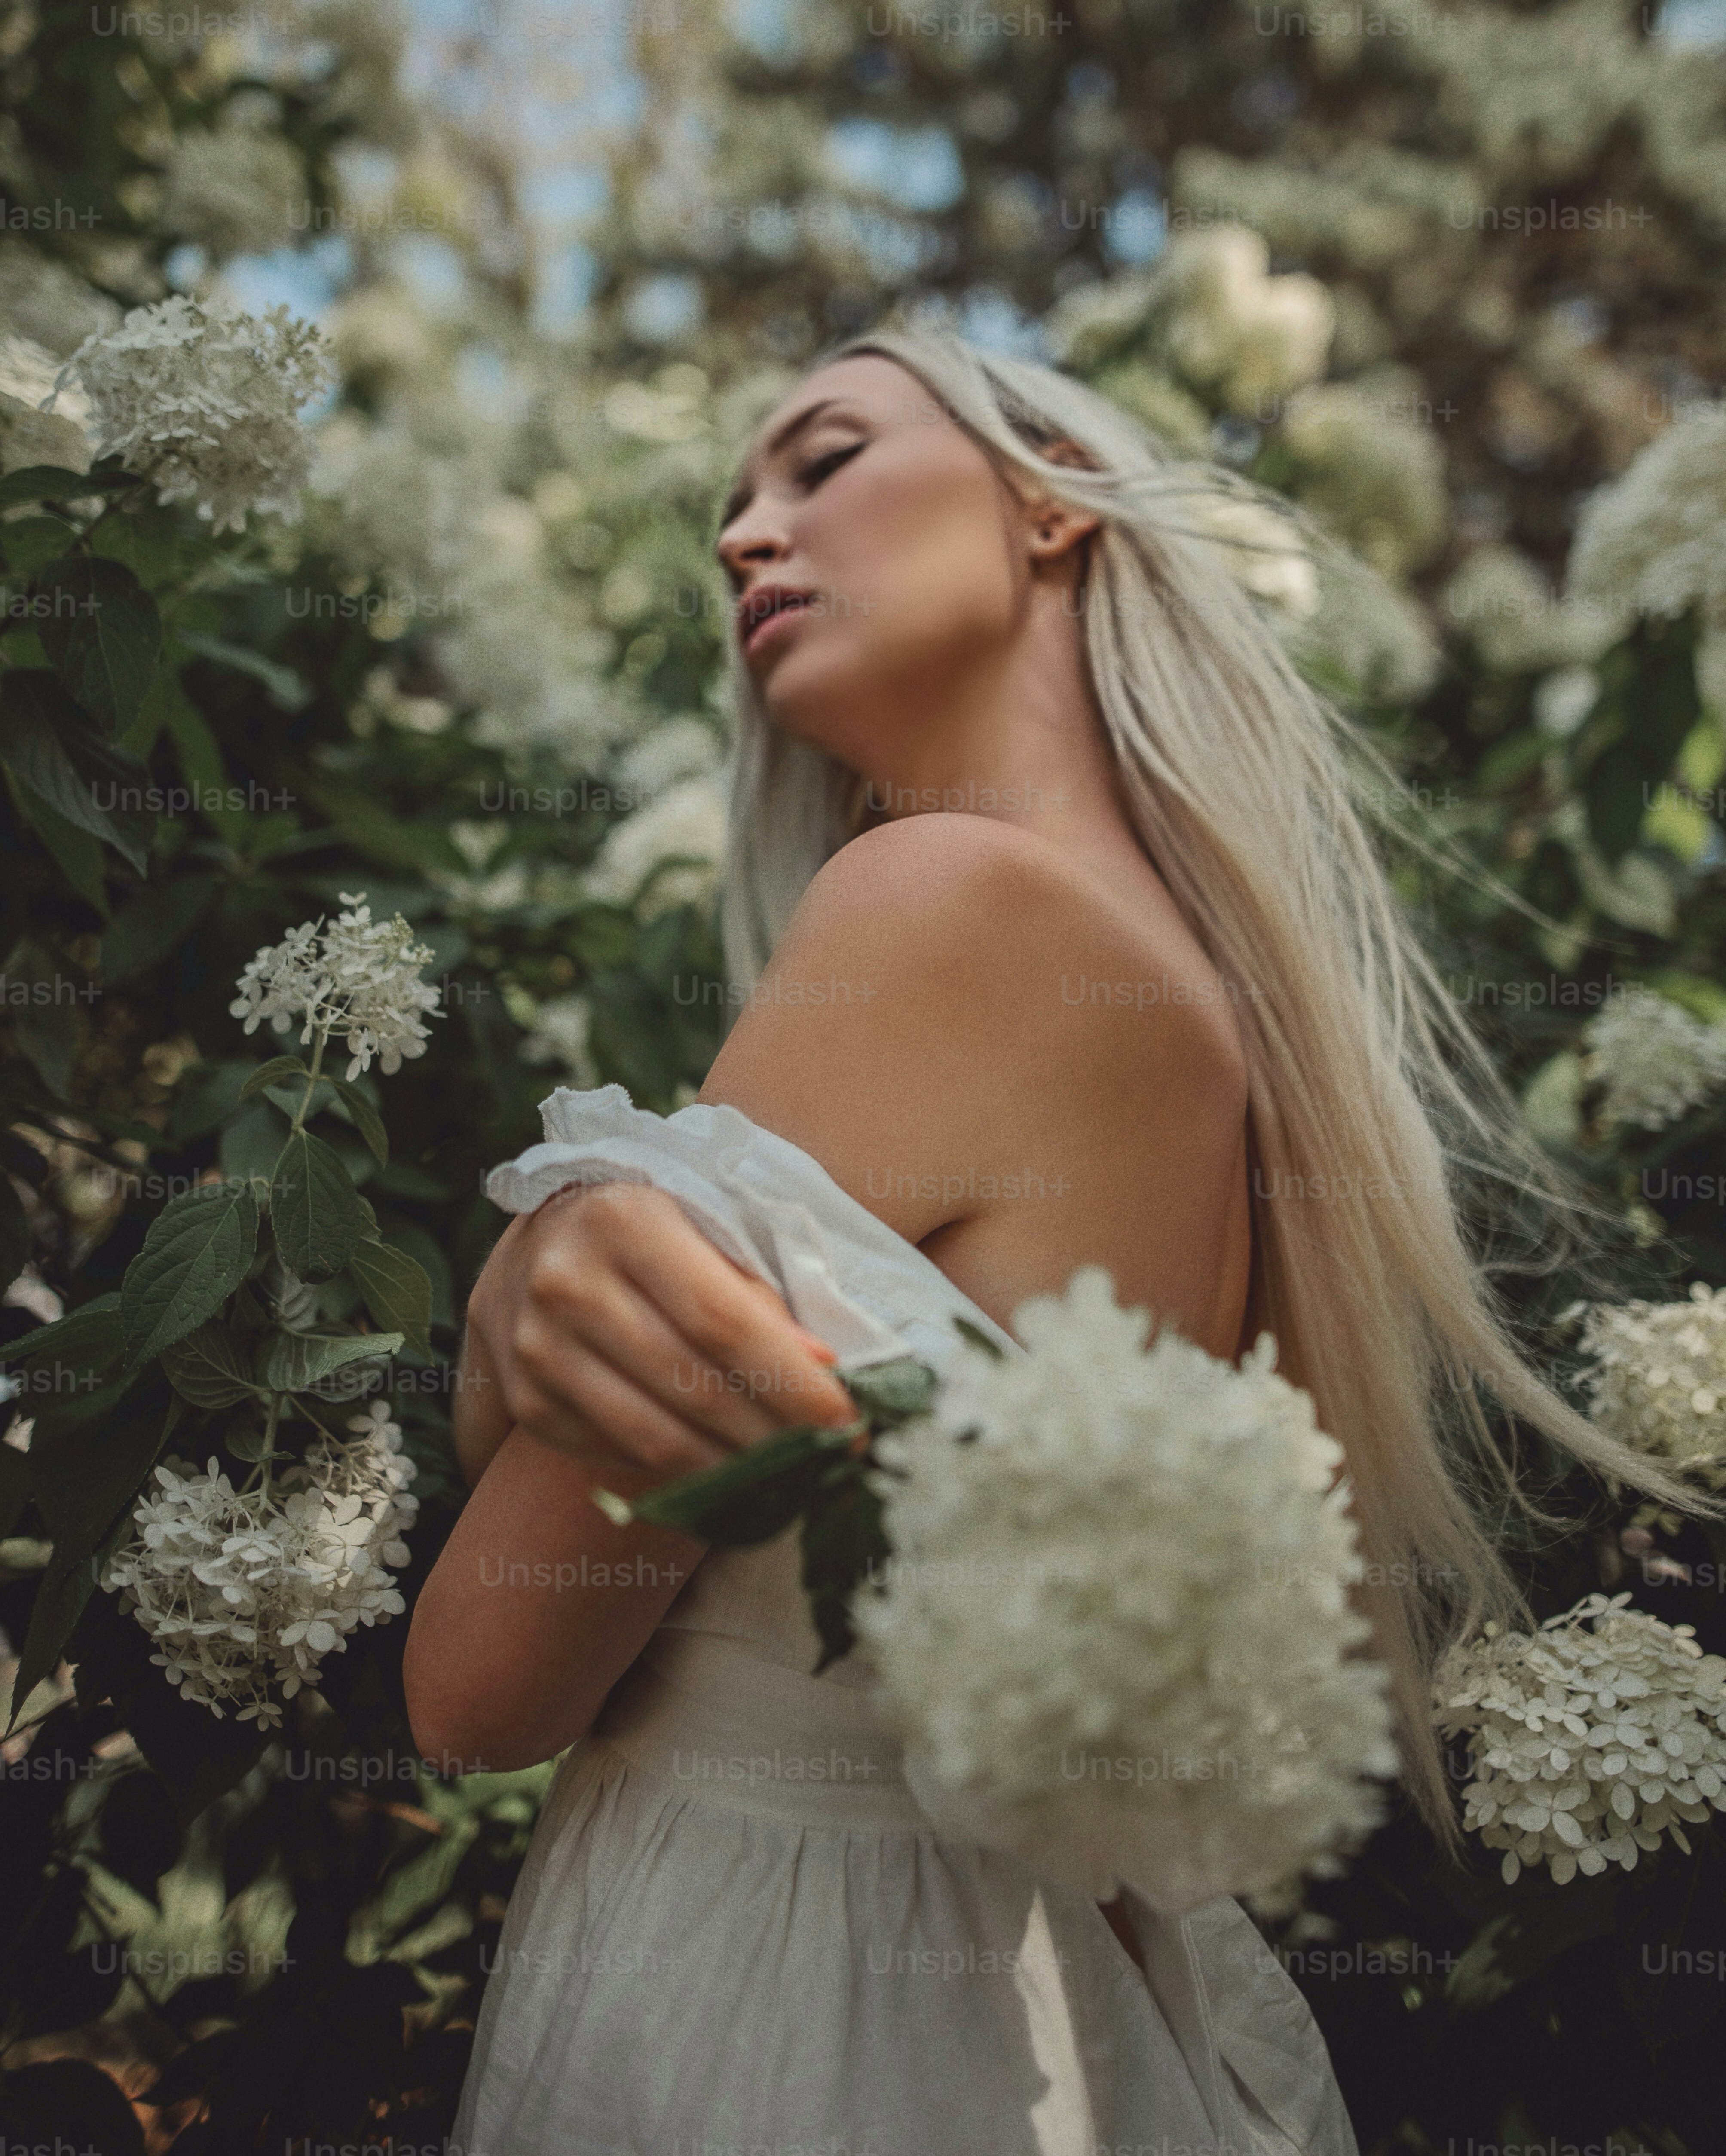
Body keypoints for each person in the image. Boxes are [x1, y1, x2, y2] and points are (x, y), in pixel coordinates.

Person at [407, 330, 1666, 2156]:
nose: (743, 538)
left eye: (819, 460)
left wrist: (515, 1311)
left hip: (773, 2015)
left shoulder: (940, 899)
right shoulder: (1206, 1018)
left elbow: (472, 1689)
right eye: (731, 508)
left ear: (1047, 501)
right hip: (1051, 2022)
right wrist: (530, 1310)